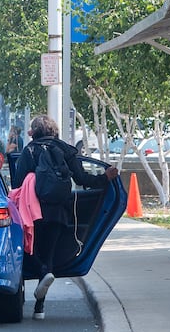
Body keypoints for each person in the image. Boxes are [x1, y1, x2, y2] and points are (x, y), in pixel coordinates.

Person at [12, 115, 119, 320]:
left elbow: (17, 184)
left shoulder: (29, 151)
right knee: (50, 254)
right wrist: (106, 177)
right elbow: (82, 179)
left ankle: (39, 285)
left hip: (32, 213)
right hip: (59, 211)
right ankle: (39, 308)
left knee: (32, 251)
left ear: (32, 133)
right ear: (54, 131)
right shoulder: (66, 150)